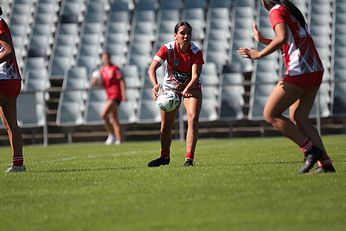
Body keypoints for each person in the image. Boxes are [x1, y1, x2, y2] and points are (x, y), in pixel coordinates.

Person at [237, 0, 335, 174]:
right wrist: (263, 40)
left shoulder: (275, 11)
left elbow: (282, 38)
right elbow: (290, 39)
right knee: (299, 117)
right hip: (315, 69)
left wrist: (259, 54)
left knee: (270, 114)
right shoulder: (290, 9)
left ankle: (310, 150)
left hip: (300, 70)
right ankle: (325, 163)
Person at [147, 21, 204, 167]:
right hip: (171, 89)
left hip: (191, 88)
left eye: (188, 33)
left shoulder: (196, 52)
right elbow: (151, 69)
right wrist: (155, 86)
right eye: (182, 33)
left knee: (193, 118)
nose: (186, 36)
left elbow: (195, 76)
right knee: (166, 126)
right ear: (175, 35)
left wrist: (186, 90)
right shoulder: (167, 49)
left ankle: (189, 159)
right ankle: (164, 157)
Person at [0, 8, 26, 173]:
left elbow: (8, 51)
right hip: (11, 79)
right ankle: (18, 164)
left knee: (10, 125)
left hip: (3, 78)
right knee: (10, 124)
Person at [91, 52, 127, 145]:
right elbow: (101, 84)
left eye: (107, 57)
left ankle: (112, 135)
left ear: (110, 58)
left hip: (115, 95)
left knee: (103, 115)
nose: (105, 59)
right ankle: (120, 139)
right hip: (109, 96)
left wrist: (124, 94)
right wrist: (94, 83)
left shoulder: (115, 69)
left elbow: (121, 80)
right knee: (114, 118)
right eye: (104, 58)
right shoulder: (102, 70)